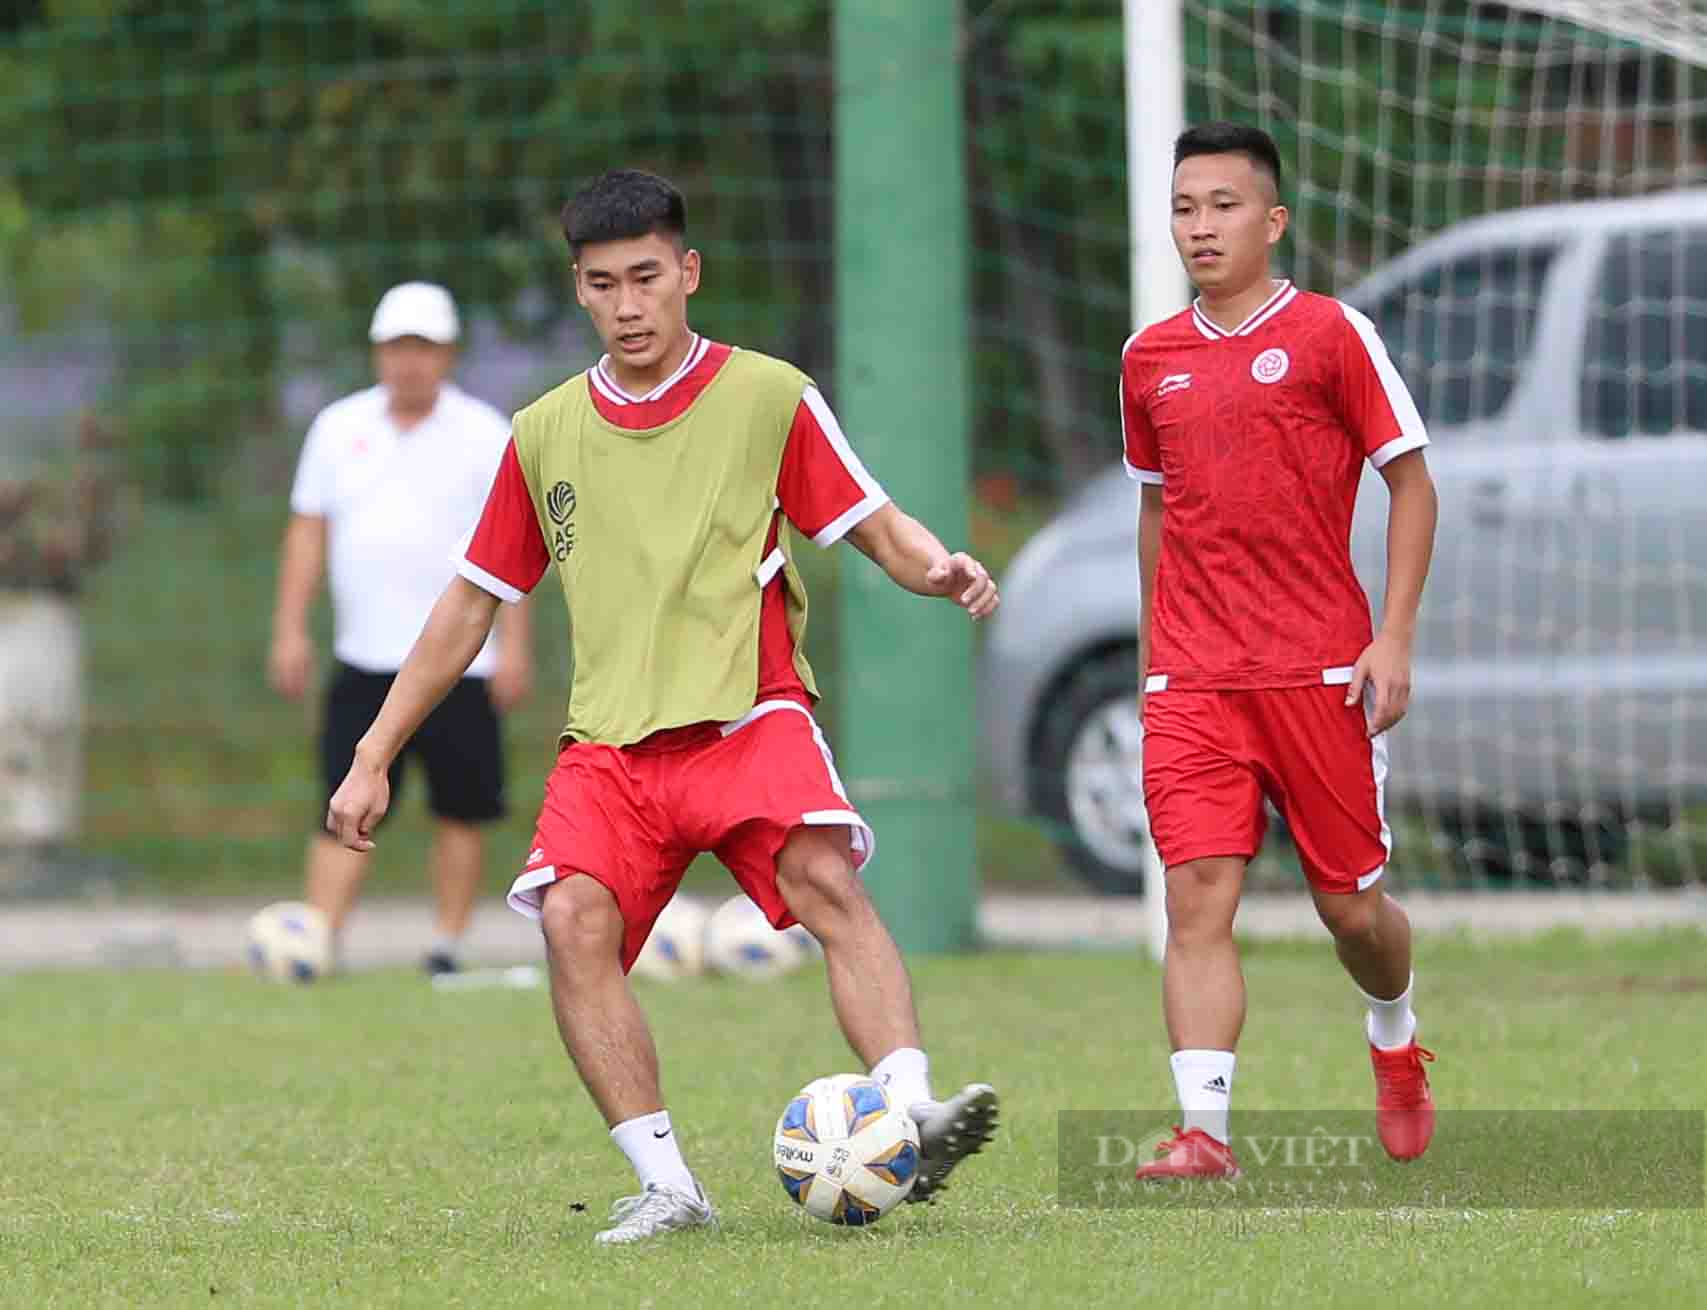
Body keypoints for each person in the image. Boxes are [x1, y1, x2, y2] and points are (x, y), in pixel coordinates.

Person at [324, 171, 1002, 1244]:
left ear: (688, 273)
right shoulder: (543, 431)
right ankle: (668, 1184)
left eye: (647, 276)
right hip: (612, 747)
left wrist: (939, 569)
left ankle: (909, 1107)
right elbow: (469, 603)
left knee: (825, 875)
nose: (629, 303)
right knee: (569, 919)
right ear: (580, 291)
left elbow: (873, 520)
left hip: (748, 714)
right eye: (604, 284)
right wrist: (373, 752)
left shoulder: (768, 395)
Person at [1120, 123, 1441, 1179]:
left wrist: (1391, 637)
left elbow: (1411, 482)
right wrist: (1155, 654)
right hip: (1195, 681)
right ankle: (1202, 1129)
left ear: (1273, 219)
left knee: (1349, 907)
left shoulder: (1331, 336)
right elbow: (1157, 514)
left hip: (1319, 669)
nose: (1199, 226)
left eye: (1220, 205)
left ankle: (1393, 1030)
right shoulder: (1149, 358)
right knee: (1197, 896)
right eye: (1183, 207)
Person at [269, 281, 533, 976]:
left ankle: (445, 947)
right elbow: (307, 533)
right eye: (395, 347)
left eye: (422, 347)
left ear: (447, 354)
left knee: (461, 809)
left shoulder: (486, 433)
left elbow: (514, 550)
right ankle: (314, 946)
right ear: (377, 352)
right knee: (342, 801)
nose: (408, 362)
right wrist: (290, 628)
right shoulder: (336, 428)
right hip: (363, 657)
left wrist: (514, 647)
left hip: (462, 664)